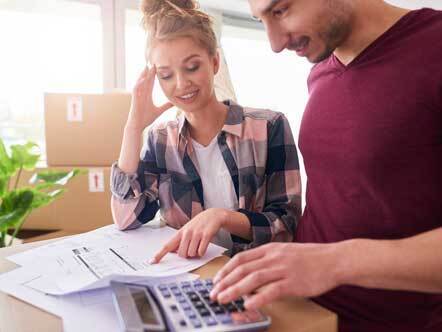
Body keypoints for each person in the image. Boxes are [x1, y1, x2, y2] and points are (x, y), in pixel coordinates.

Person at [210, 0, 442, 331]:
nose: (275, 43)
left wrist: (335, 263)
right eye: (261, 19)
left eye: (280, 10)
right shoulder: (322, 70)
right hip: (301, 313)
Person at [110, 0, 302, 260]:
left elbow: (286, 227)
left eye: (192, 67)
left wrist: (223, 218)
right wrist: (133, 128)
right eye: (166, 75)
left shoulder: (269, 127)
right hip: (188, 280)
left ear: (214, 62)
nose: (181, 84)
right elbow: (125, 219)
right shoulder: (161, 140)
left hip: (251, 276)